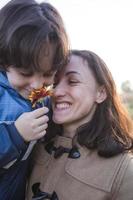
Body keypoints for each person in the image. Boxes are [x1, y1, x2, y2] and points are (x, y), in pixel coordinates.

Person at [27, 50, 133, 200]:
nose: (56, 92)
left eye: (73, 81)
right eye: (55, 83)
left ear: (101, 93)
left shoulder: (124, 170)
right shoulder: (34, 145)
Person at [0, 0, 69, 199]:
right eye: (25, 73)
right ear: (3, 61)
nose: (38, 85)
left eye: (48, 74)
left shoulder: (39, 95)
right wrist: (14, 135)